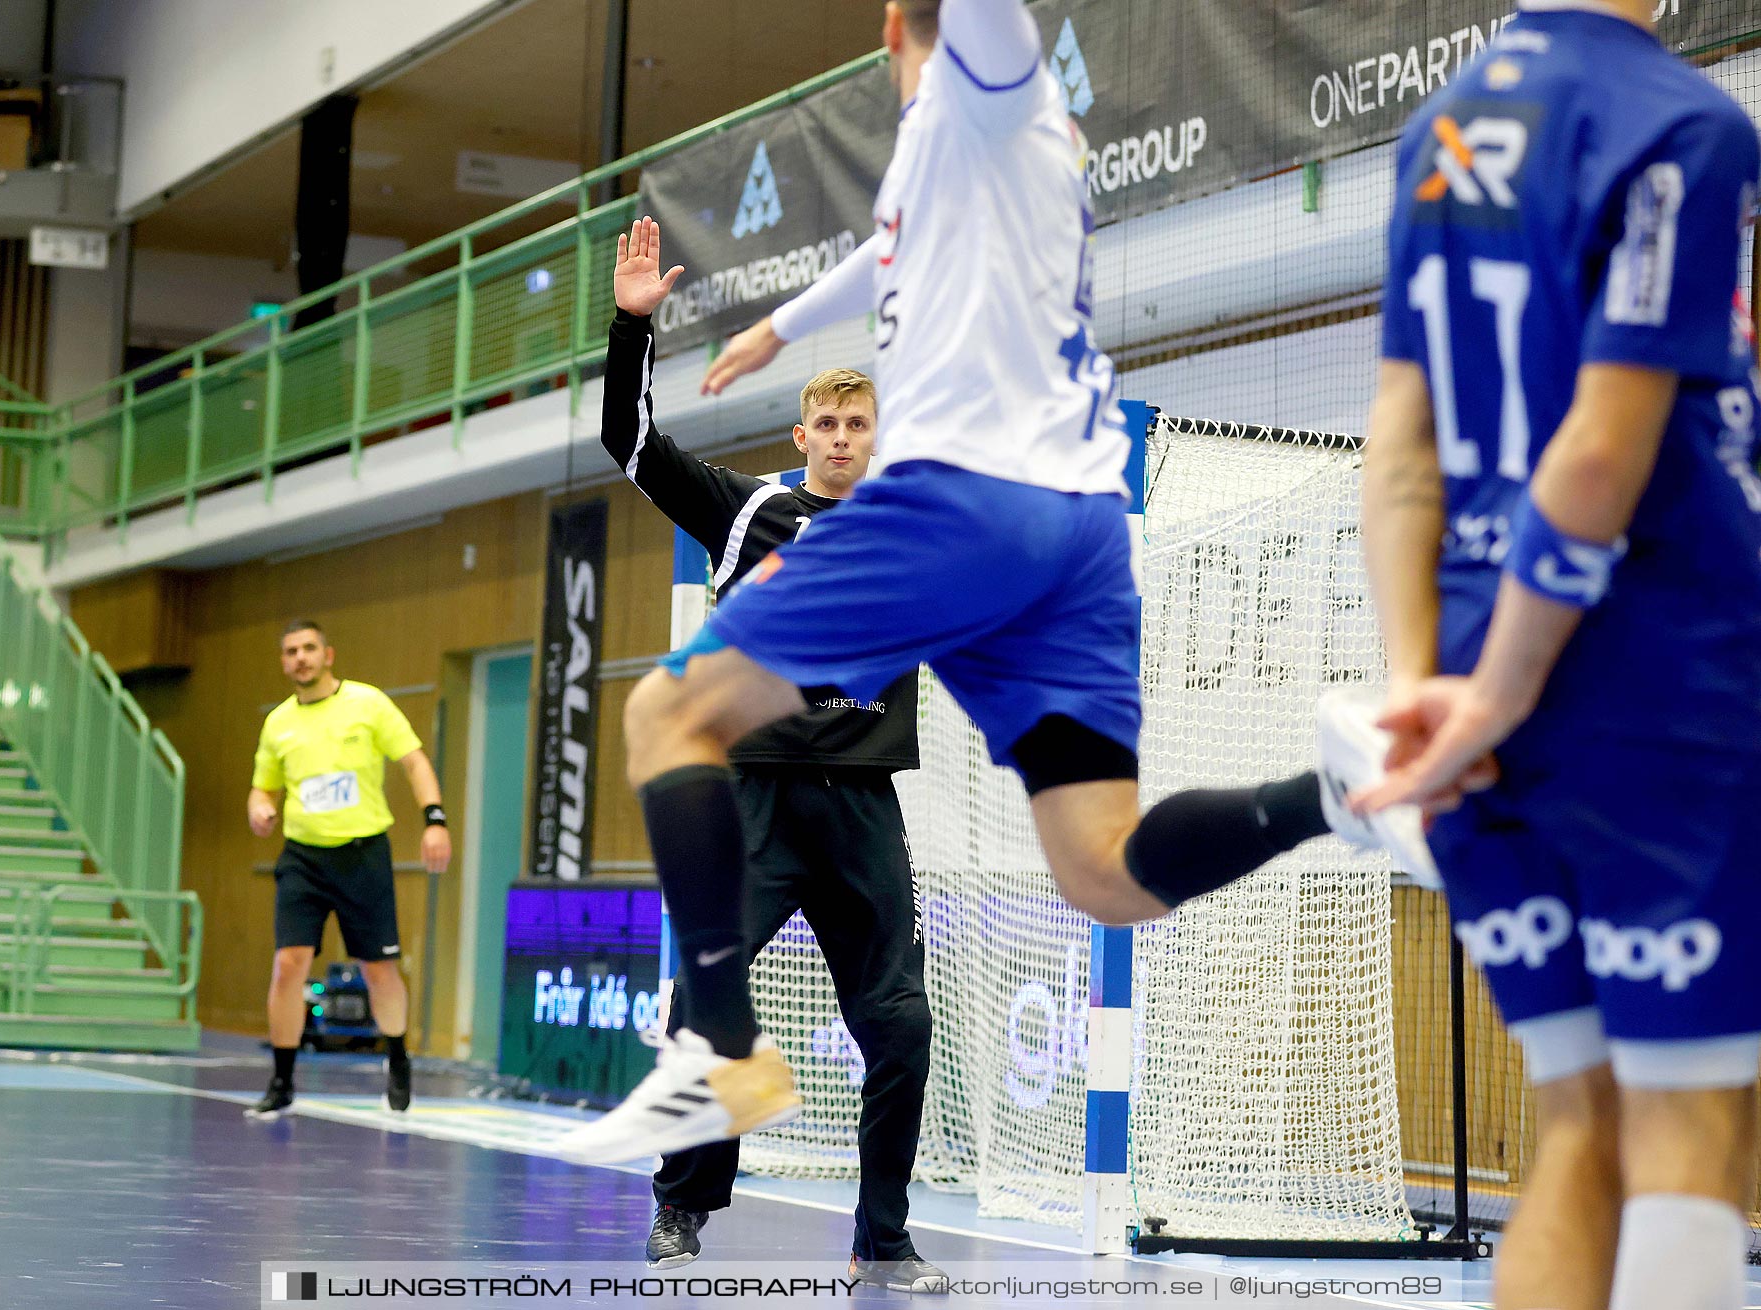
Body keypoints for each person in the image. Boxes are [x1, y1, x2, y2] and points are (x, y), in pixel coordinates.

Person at [555, 0, 1402, 1170]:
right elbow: (887, 247)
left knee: (664, 713)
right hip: (1077, 534)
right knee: (1104, 871)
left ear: (900, 25)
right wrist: (781, 325)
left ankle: (723, 1050)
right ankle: (1341, 795)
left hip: (967, 499)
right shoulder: (942, 168)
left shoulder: (990, 92)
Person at [1344, 4, 1761, 1308]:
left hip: (1470, 676)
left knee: (1577, 1123)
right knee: (1695, 1125)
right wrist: (1508, 688)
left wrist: (1429, 684)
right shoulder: (1681, 123)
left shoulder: (1441, 129)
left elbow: (1401, 445)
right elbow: (1596, 449)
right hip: (1651, 687)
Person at [602, 218, 945, 1292]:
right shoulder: (750, 508)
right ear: (802, 434)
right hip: (748, 799)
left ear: (877, 437)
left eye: (858, 422)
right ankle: (684, 1193)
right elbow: (633, 444)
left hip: (861, 810)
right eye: (826, 422)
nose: (841, 437)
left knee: (900, 1026)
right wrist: (630, 327)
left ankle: (884, 1233)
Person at [245, 621, 452, 1119]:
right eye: (291, 651)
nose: (301, 657)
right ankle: (282, 1080)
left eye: (309, 648)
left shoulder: (369, 703)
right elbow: (263, 788)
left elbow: (416, 762)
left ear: (328, 654)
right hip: (302, 857)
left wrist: (434, 820)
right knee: (289, 963)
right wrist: (258, 809)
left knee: (378, 967)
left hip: (362, 856)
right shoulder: (278, 723)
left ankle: (398, 1057)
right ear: (284, 661)